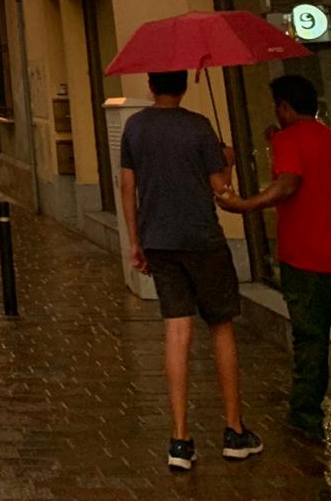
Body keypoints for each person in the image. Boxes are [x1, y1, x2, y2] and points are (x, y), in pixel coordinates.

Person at [119, 70, 262, 471]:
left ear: (151, 86)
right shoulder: (199, 127)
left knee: (176, 331)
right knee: (221, 327)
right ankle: (234, 430)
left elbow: (127, 187)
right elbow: (221, 191)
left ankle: (180, 439)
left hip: (159, 241)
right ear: (184, 87)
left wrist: (135, 240)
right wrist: (228, 162)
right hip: (203, 239)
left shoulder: (135, 127)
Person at [217, 73, 331, 442]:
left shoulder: (288, 140)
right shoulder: (328, 137)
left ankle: (305, 414)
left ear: (285, 107)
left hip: (304, 257)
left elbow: (288, 183)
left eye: (276, 107)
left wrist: (245, 204)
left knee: (310, 339)